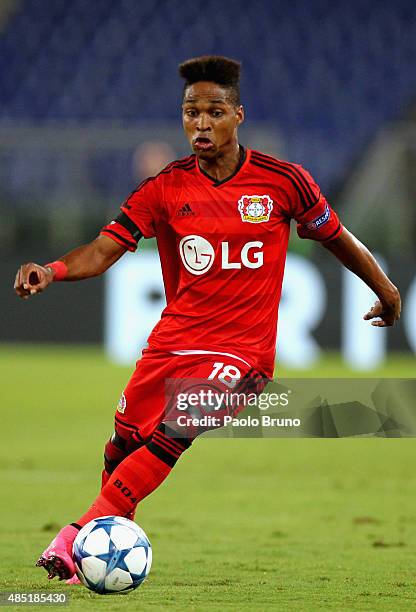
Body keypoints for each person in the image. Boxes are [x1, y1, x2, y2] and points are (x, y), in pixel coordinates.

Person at [14, 56, 401, 582]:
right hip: (173, 342)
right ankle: (102, 551)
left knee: (178, 427)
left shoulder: (284, 182)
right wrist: (52, 269)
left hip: (243, 355)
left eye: (214, 112)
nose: (200, 123)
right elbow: (104, 250)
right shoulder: (165, 189)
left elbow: (337, 237)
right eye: (190, 112)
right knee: (123, 445)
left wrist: (386, 288)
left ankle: (74, 536)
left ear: (238, 115)